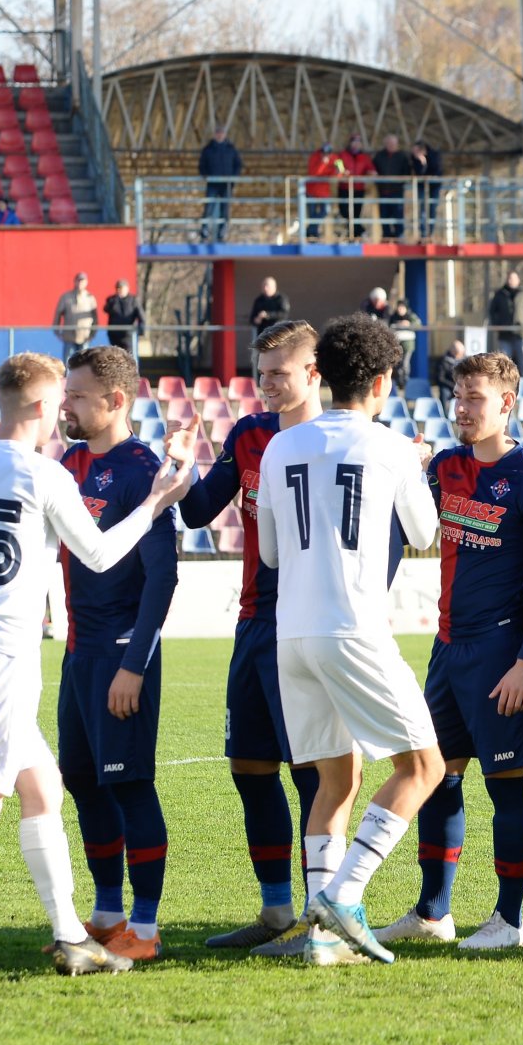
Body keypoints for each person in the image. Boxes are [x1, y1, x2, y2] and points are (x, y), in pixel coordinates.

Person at [0, 351, 193, 981]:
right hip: (3, 658)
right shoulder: (45, 474)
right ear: (35, 406)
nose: (62, 415)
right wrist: (157, 501)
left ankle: (70, 936)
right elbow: (103, 556)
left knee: (42, 790)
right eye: (58, 403)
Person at [376, 352, 523, 952]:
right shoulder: (446, 467)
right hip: (447, 650)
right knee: (439, 778)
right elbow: (408, 528)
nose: (462, 407)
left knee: (506, 786)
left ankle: (509, 921)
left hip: (500, 653)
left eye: (475, 397)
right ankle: (434, 912)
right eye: (457, 396)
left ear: (506, 403)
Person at [171, 323, 333, 956]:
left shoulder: (339, 440)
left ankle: (323, 915)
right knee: (249, 766)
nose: (266, 383)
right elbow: (195, 511)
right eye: (260, 372)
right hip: (253, 624)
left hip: (310, 625)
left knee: (313, 773)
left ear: (314, 373)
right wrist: (180, 465)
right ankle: (274, 911)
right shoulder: (248, 434)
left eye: (279, 372)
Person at [54, 346, 180, 963]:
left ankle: (147, 928)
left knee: (130, 785)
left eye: (76, 395)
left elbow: (162, 578)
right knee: (82, 781)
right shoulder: (69, 462)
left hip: (124, 654)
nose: (65, 405)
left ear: (114, 401)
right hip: (79, 652)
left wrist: (135, 665)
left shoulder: (140, 470)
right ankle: (107, 911)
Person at [486, 271, 523, 379]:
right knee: (504, 360)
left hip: (521, 333)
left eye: (513, 279)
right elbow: (492, 311)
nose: (511, 281)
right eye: (509, 278)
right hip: (505, 334)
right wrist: (496, 325)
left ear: (518, 280)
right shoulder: (499, 294)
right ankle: (505, 380)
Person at [198, 129, 243, 242]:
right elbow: (201, 165)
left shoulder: (231, 149)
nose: (219, 135)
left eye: (221, 133)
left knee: (225, 209)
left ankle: (222, 232)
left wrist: (233, 178)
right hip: (212, 183)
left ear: (225, 135)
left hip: (226, 184)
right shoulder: (208, 150)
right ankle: (204, 230)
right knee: (209, 207)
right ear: (214, 135)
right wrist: (206, 175)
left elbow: (238, 164)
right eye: (218, 133)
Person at [328, 136, 376, 239]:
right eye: (354, 142)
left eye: (358, 142)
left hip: (359, 189)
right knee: (344, 211)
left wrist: (371, 173)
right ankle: (361, 232)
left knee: (356, 213)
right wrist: (342, 171)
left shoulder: (364, 157)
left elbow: (370, 169)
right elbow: (338, 163)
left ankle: (354, 235)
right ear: (350, 143)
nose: (356, 144)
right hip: (344, 188)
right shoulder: (343, 155)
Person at [371, 134, 414, 242]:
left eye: (393, 143)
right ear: (385, 144)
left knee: (398, 214)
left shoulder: (402, 156)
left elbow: (407, 172)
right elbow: (373, 169)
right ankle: (386, 236)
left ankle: (399, 235)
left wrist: (400, 181)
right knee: (384, 215)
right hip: (383, 191)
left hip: (397, 191)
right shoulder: (379, 156)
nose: (391, 145)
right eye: (389, 143)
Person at [53, 272, 99, 362]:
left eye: (82, 281)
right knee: (68, 361)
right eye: (78, 281)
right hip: (69, 336)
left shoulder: (90, 298)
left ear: (86, 282)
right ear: (75, 282)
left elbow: (95, 318)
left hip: (84, 336)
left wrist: (92, 334)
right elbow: (58, 314)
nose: (80, 283)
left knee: (84, 362)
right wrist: (57, 331)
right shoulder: (66, 297)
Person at [411, 141, 444, 241]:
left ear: (422, 149)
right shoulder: (415, 158)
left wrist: (425, 163)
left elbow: (437, 170)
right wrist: (422, 163)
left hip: (434, 186)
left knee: (432, 208)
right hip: (421, 185)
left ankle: (431, 232)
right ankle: (423, 232)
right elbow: (418, 173)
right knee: (422, 208)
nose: (414, 153)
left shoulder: (434, 156)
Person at [104, 279, 143, 359]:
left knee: (128, 357)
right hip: (114, 334)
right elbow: (106, 309)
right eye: (118, 288)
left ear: (127, 288)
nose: (119, 290)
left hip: (127, 335)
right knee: (114, 357)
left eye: (121, 288)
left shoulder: (133, 300)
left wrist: (141, 330)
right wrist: (115, 300)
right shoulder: (112, 300)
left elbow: (141, 315)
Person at [387, 297, 421, 388]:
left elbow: (418, 325)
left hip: (407, 344)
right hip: (397, 344)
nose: (400, 309)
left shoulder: (411, 316)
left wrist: (408, 324)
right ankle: (399, 382)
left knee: (405, 364)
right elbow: (389, 326)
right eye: (399, 307)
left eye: (402, 307)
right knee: (397, 363)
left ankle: (405, 382)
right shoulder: (393, 316)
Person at [433, 340, 465, 411]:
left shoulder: (463, 361)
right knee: (444, 392)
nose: (461, 355)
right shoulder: (444, 361)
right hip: (448, 387)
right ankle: (444, 413)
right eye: (460, 354)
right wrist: (453, 386)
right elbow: (440, 379)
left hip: (460, 386)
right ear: (454, 352)